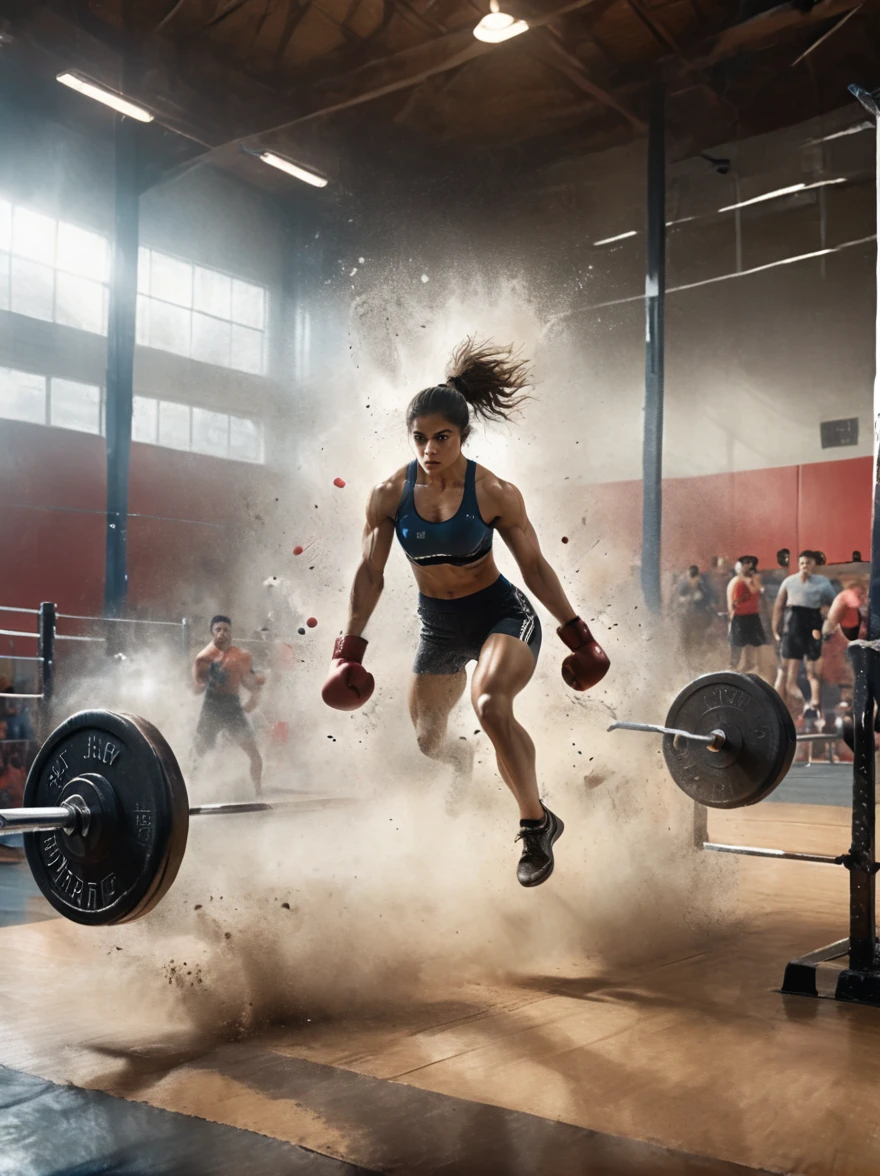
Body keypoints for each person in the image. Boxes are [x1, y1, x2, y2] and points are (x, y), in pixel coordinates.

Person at [321, 339, 609, 888]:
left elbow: (536, 568)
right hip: (440, 627)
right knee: (429, 740)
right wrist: (348, 650)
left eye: (442, 437)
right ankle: (462, 762)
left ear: (463, 436)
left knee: (490, 705)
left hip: (502, 614)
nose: (430, 448)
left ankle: (536, 825)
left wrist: (578, 635)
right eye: (420, 438)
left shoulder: (494, 491)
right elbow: (370, 574)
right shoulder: (388, 494)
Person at [193, 615, 266, 796]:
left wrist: (254, 696)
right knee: (198, 754)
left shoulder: (242, 656)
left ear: (231, 632)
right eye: (218, 630)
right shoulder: (203, 658)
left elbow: (250, 683)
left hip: (232, 708)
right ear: (212, 632)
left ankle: (258, 791)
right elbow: (196, 688)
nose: (222, 633)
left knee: (255, 755)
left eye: (226, 629)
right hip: (211, 707)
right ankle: (190, 791)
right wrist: (210, 676)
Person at [772, 551, 835, 719]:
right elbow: (778, 606)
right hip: (793, 625)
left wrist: (829, 623)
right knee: (784, 671)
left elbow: (834, 605)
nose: (805, 565)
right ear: (798, 564)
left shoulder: (823, 583)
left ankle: (814, 707)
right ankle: (778, 708)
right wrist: (775, 629)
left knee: (812, 671)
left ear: (814, 564)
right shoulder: (789, 582)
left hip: (812, 624)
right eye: (802, 562)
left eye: (808, 562)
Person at [728, 556, 766, 672]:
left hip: (752, 616)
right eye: (745, 563)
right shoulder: (737, 581)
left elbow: (756, 590)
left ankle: (752, 667)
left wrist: (746, 579)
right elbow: (734, 601)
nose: (748, 565)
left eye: (750, 563)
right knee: (737, 646)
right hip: (739, 617)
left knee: (753, 645)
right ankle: (733, 670)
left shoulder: (754, 578)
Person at [676, 564, 716, 659]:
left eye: (695, 577)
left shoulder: (703, 586)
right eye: (692, 577)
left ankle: (695, 662)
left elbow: (709, 599)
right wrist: (690, 598)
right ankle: (684, 662)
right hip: (686, 617)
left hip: (699, 618)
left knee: (697, 641)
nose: (694, 579)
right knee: (684, 641)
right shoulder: (684, 585)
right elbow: (678, 600)